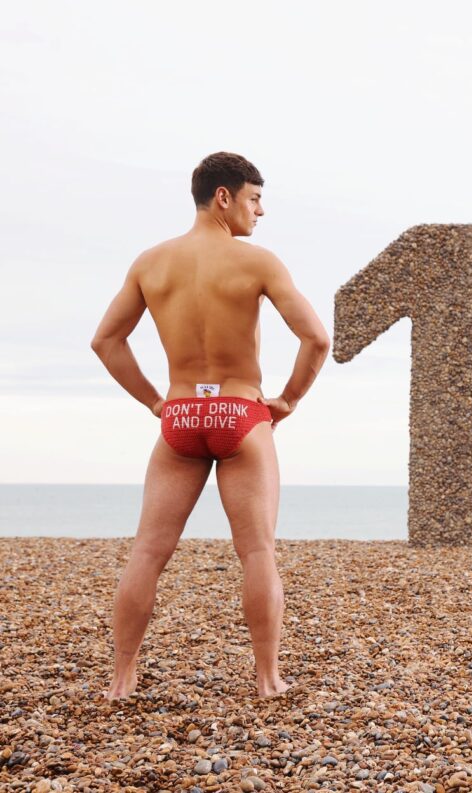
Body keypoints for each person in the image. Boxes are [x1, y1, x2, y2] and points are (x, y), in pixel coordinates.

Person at [90, 152, 330, 699]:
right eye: (254, 198)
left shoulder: (151, 263)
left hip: (180, 415)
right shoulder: (258, 263)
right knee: (257, 552)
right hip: (242, 412)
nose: (261, 212)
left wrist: (156, 402)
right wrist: (288, 400)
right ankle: (268, 680)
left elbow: (105, 340)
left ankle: (122, 680)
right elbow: (316, 338)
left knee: (148, 551)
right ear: (223, 197)